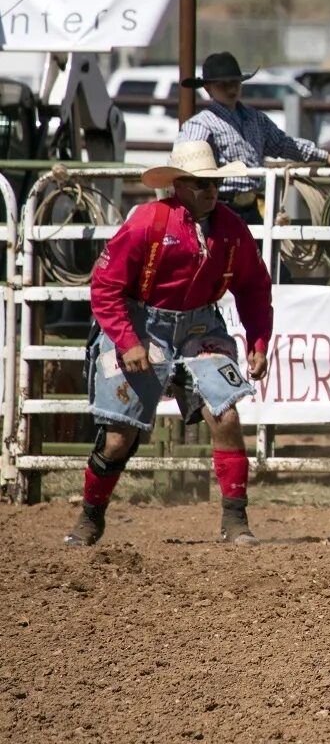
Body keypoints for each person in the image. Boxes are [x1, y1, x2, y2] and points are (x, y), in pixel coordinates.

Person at [66, 141, 274, 548]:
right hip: (142, 320)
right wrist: (127, 341)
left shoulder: (231, 230)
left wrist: (259, 340)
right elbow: (106, 285)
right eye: (200, 184)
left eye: (214, 183)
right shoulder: (147, 223)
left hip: (199, 327)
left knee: (226, 414)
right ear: (178, 185)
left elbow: (253, 288)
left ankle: (236, 519)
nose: (211, 191)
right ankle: (90, 517)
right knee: (118, 435)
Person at [177, 51, 330, 224]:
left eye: (235, 83)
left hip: (251, 206)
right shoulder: (201, 124)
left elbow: (283, 144)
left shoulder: (255, 119)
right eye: (223, 85)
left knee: (255, 249)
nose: (231, 89)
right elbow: (188, 164)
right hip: (218, 206)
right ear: (208, 89)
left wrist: (325, 156)